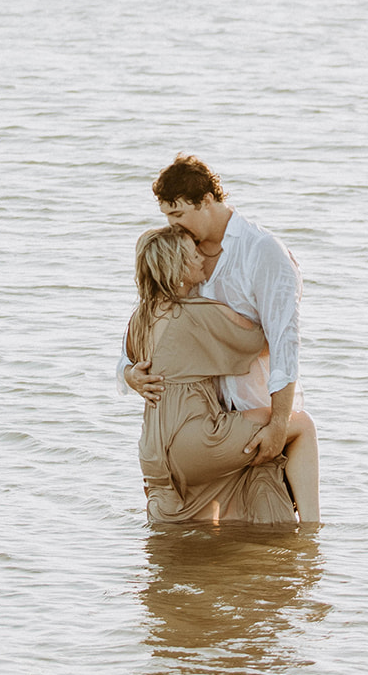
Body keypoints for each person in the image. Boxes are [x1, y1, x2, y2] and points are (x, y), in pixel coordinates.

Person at [120, 155, 320, 523]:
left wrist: (278, 424)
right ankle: (313, 538)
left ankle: (309, 541)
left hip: (241, 409)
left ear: (207, 201)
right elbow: (131, 355)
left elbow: (284, 344)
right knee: (231, 543)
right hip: (204, 423)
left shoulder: (262, 253)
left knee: (261, 526)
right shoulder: (181, 266)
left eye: (177, 215)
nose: (172, 225)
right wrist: (130, 374)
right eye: (167, 217)